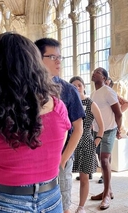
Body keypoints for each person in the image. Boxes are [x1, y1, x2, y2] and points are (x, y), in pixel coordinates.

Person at [0, 32, 71, 212]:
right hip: (51, 198)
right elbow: (54, 149)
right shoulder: (58, 107)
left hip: (6, 201)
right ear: (35, 64)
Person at [35, 38, 85, 213]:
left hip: (61, 156)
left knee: (63, 202)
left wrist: (63, 160)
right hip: (33, 158)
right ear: (38, 58)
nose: (58, 61)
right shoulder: (27, 89)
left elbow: (78, 128)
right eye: (52, 56)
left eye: (60, 57)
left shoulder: (69, 90)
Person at [70, 76, 104, 213]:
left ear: (84, 86)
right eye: (74, 85)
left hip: (86, 143)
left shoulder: (90, 103)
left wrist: (94, 143)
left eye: (79, 85)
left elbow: (101, 127)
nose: (77, 87)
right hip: (70, 143)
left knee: (84, 177)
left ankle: (81, 206)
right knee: (65, 176)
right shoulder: (69, 103)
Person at [90, 67, 122, 210]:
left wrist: (118, 129)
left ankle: (106, 196)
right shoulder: (93, 94)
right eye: (94, 71)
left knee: (104, 160)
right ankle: (107, 190)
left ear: (104, 78)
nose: (94, 73)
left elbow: (119, 113)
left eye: (98, 72)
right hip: (97, 132)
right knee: (103, 162)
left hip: (109, 130)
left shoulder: (108, 91)